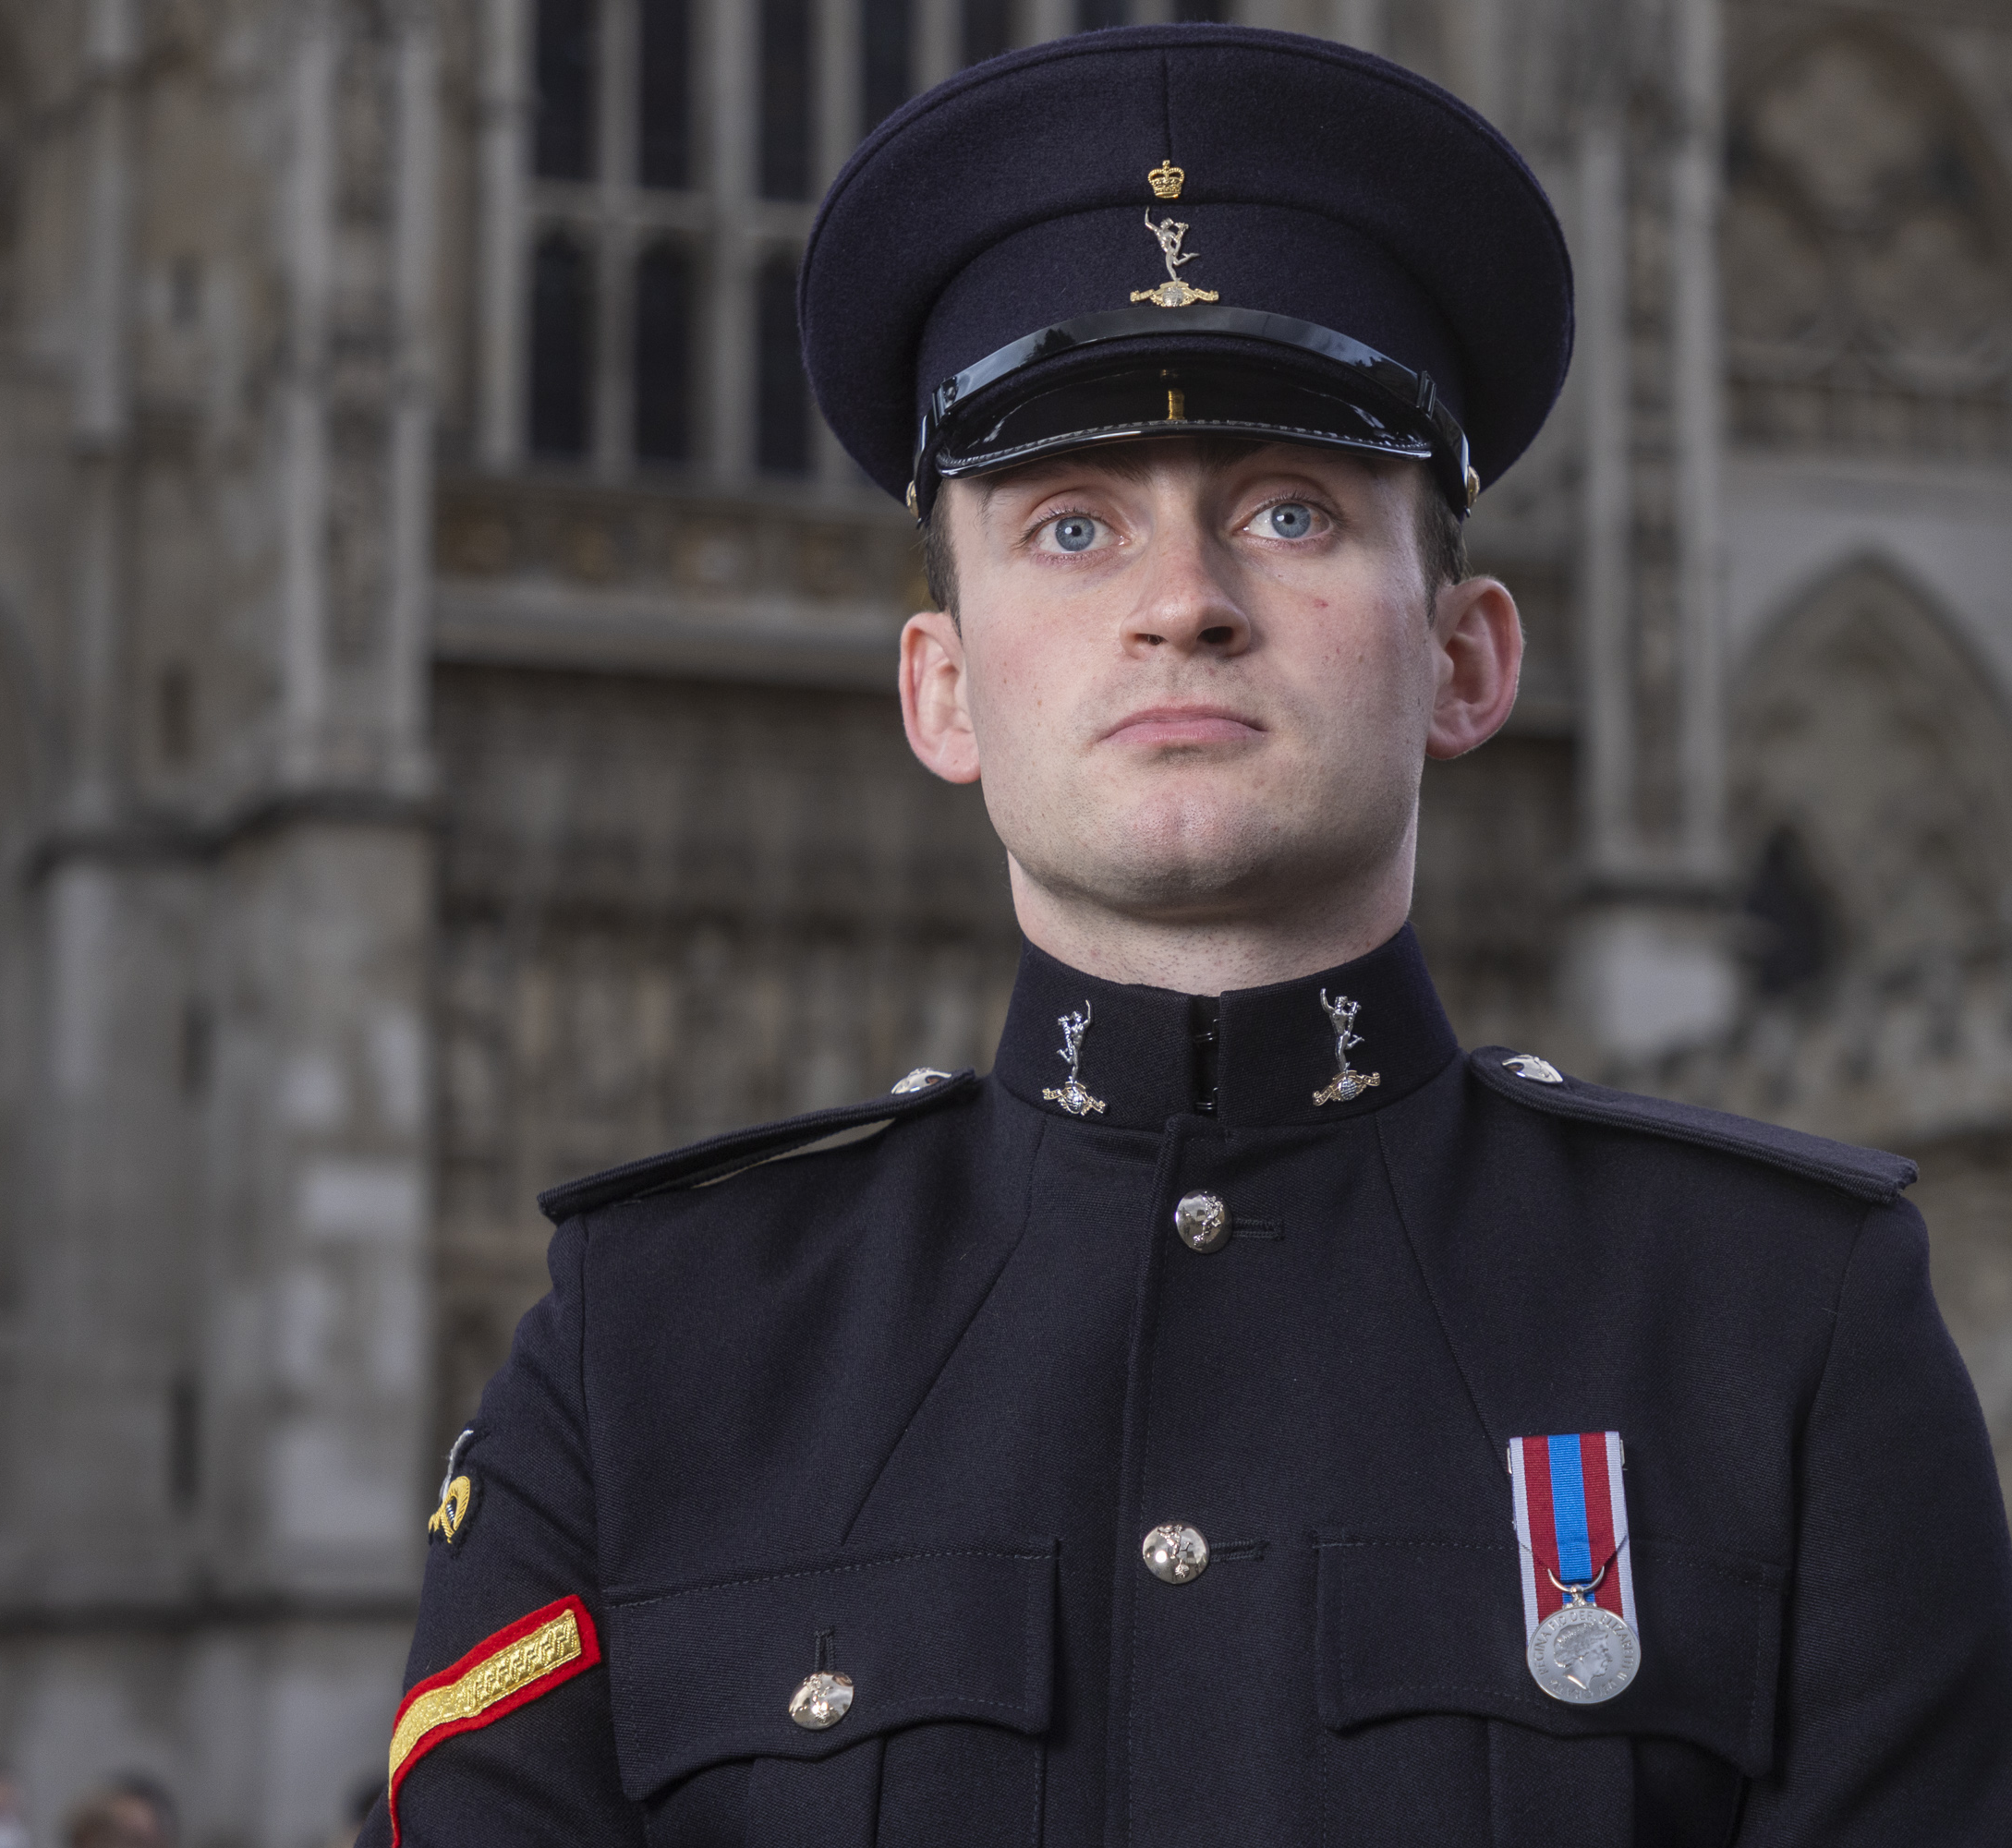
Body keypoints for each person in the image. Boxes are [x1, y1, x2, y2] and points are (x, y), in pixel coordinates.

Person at [357, 20, 2012, 1846]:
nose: (1184, 604)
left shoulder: (1780, 1327)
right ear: (942, 686)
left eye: (1289, 510)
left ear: (1468, 658)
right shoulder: (650, 1351)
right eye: (1070, 527)